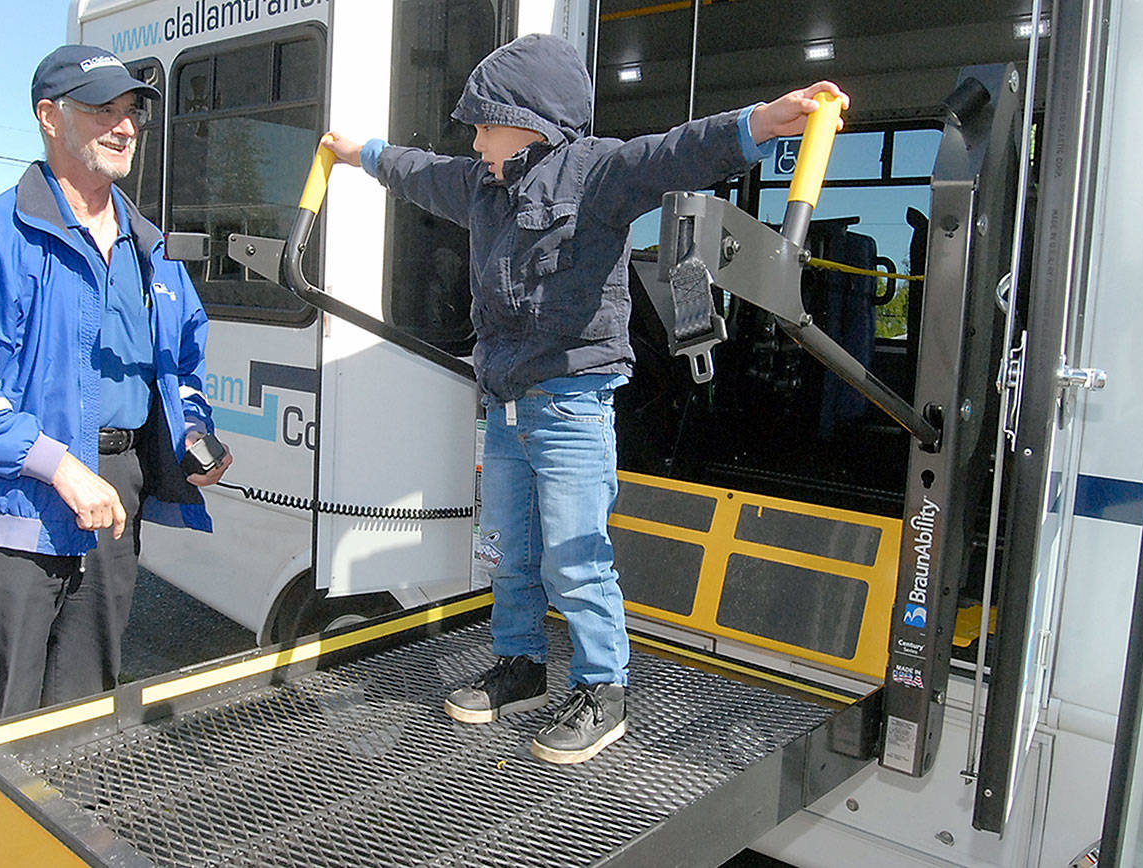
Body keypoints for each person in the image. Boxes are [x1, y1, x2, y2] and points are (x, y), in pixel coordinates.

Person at [324, 33, 847, 764]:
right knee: (507, 550)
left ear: (529, 121)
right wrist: (359, 153)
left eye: (483, 125)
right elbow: (415, 171)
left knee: (574, 557)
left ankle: (605, 689)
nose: (473, 142)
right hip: (504, 401)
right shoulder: (481, 186)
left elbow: (675, 153)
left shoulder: (597, 174)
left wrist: (761, 122)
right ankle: (523, 666)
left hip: (571, 403)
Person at [0, 45, 232, 725]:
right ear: (50, 117)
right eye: (102, 111)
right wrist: (59, 467)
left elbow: (181, 364)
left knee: (83, 713)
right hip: (13, 507)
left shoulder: (151, 249)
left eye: (131, 114)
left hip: (115, 495)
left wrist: (194, 431)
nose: (124, 128)